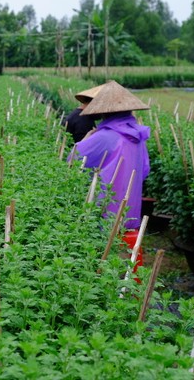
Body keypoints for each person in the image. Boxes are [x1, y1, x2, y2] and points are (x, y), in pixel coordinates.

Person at [71, 80, 150, 268]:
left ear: (103, 112)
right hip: (131, 211)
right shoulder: (138, 136)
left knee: (98, 260)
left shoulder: (104, 136)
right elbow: (145, 169)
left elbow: (73, 163)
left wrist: (84, 140)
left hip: (104, 210)